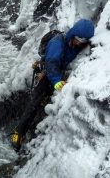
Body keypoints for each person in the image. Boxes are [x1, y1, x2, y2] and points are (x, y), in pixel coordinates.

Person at [10, 19, 95, 151]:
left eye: (83, 41)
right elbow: (51, 63)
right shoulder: (58, 43)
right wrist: (56, 81)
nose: (80, 42)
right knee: (34, 103)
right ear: (73, 34)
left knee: (43, 102)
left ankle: (32, 127)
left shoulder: (76, 44)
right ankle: (17, 134)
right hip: (47, 71)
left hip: (57, 72)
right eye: (79, 38)